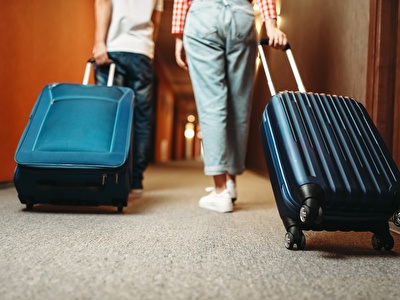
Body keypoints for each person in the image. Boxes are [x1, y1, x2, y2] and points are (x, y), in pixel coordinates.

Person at [172, 0, 287, 212]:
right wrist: (270, 25)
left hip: (203, 15)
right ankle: (231, 183)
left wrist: (179, 34)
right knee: (239, 103)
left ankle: (220, 190)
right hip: (241, 13)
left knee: (211, 104)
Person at [93, 0, 163, 194]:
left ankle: (106, 173)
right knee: (142, 118)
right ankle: (135, 179)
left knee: (107, 116)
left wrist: (99, 42)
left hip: (113, 49)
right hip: (142, 51)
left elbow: (102, 2)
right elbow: (155, 20)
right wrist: (149, 51)